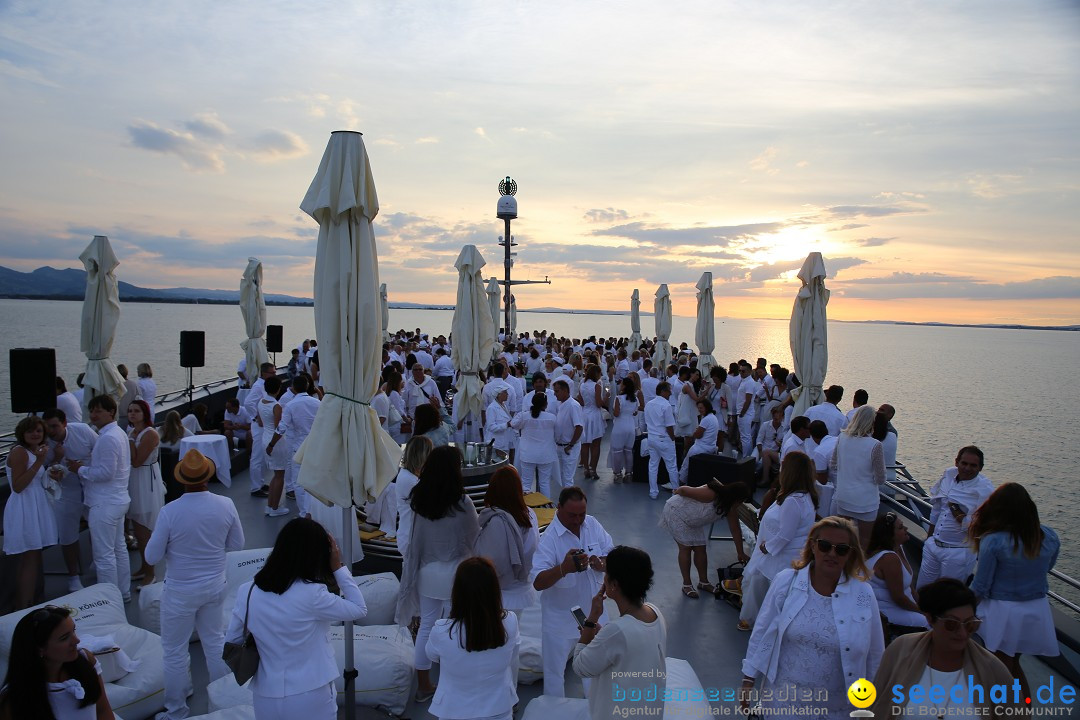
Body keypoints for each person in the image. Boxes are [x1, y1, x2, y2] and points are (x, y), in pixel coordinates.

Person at [741, 516, 884, 719]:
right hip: (785, 704)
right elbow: (762, 630)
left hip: (838, 708)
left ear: (850, 554)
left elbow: (875, 653)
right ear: (813, 546)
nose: (832, 554)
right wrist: (748, 679)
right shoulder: (786, 582)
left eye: (841, 549)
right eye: (825, 546)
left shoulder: (863, 594)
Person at [226, 518, 367, 720]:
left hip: (266, 694)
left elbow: (233, 639)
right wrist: (338, 567)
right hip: (311, 692)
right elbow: (359, 608)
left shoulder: (246, 591)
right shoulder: (313, 594)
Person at [144, 449, 244, 720]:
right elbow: (237, 544)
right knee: (215, 642)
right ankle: (225, 702)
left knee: (174, 652)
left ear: (182, 479)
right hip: (214, 586)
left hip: (180, 592)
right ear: (208, 475)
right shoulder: (226, 505)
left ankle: (177, 711)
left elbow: (151, 556)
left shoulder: (170, 511)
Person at [394, 446, 479, 702]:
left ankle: (424, 686)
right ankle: (455, 684)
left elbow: (416, 538)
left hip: (427, 572)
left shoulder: (420, 498)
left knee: (428, 625)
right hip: (456, 574)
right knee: (458, 626)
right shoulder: (462, 502)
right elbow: (472, 537)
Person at [871, 579, 1015, 717]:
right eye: (952, 624)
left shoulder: (992, 668)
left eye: (970, 624)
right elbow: (878, 704)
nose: (962, 633)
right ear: (930, 619)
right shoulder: (901, 649)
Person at [968, 483, 1060, 699]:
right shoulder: (1049, 535)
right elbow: (1047, 568)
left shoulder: (993, 540)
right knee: (1014, 664)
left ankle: (1001, 712)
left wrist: (962, 606)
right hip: (1035, 607)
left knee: (1000, 667)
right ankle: (1023, 711)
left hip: (1003, 610)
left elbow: (981, 585)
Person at [531, 486, 614, 697]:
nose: (578, 520)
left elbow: (612, 555)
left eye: (581, 514)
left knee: (595, 673)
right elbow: (538, 582)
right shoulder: (549, 539)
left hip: (595, 617)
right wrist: (564, 568)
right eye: (572, 515)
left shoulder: (592, 524)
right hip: (560, 621)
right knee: (554, 674)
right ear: (558, 508)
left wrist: (601, 563)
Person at [572, 546, 666, 720]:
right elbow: (633, 645)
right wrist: (601, 635)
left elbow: (580, 667)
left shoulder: (616, 631)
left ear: (614, 585)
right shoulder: (655, 613)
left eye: (606, 574)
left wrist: (591, 620)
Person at [425, 557, 520, 720]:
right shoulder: (510, 621)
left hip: (454, 712)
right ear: (494, 590)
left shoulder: (441, 630)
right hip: (499, 710)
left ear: (458, 591)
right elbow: (512, 654)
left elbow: (432, 656)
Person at [736, 452, 818, 630]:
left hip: (780, 557)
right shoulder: (797, 497)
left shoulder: (793, 501)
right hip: (777, 553)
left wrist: (767, 548)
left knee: (758, 584)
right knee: (757, 584)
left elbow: (786, 535)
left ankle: (755, 622)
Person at [67, 395, 131, 601]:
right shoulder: (118, 433)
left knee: (104, 556)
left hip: (105, 503)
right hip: (118, 499)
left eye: (98, 411)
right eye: (91, 411)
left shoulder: (107, 438)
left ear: (111, 412)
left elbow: (105, 473)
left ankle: (108, 600)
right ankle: (123, 592)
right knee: (119, 549)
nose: (93, 415)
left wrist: (80, 469)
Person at [0, 605, 114, 720]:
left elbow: (103, 711)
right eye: (64, 638)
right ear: (40, 648)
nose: (76, 640)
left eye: (73, 631)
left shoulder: (86, 660)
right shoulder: (13, 698)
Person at [918, 446, 994, 589]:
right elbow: (936, 510)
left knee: (948, 596)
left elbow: (981, 528)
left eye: (973, 465)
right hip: (934, 546)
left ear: (980, 468)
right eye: (964, 463)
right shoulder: (947, 477)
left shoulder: (985, 491)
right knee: (922, 590)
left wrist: (955, 508)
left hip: (958, 552)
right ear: (956, 462)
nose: (967, 468)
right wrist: (929, 540)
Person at [660, 480, 750, 599]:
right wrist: (677, 491)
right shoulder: (713, 493)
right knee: (685, 548)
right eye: (741, 500)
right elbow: (684, 490)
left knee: (701, 549)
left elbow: (735, 530)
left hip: (693, 520)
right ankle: (686, 584)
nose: (741, 503)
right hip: (677, 512)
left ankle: (704, 582)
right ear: (736, 497)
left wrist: (740, 552)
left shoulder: (730, 507)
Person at [3, 417, 59, 609]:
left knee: (34, 558)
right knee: (28, 559)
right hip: (24, 508)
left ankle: (30, 602)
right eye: (30, 431)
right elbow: (18, 486)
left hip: (35, 506)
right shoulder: (20, 453)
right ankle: (24, 605)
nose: (35, 434)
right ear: (22, 434)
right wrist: (40, 462)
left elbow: (35, 480)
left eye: (39, 431)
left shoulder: (33, 452)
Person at [42, 408, 97, 592]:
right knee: (67, 536)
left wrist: (83, 467)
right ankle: (73, 577)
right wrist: (56, 460)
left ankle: (98, 561)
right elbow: (44, 475)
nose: (51, 431)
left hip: (92, 487)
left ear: (65, 423)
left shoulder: (82, 430)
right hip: (66, 493)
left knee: (97, 526)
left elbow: (100, 453)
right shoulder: (44, 445)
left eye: (55, 426)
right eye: (47, 427)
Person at [476, 467, 540, 613]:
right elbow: (532, 549)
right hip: (524, 591)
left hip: (502, 595)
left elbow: (491, 560)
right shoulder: (530, 514)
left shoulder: (497, 522)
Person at [830, 405, 885, 550]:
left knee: (844, 537)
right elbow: (881, 479)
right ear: (872, 423)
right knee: (864, 539)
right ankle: (858, 568)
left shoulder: (842, 438)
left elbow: (833, 464)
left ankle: (844, 566)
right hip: (866, 502)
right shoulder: (875, 445)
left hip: (843, 497)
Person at [268, 375, 321, 517]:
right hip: (316, 447)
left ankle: (304, 512)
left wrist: (271, 444)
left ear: (293, 387)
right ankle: (314, 510)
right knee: (314, 480)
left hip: (298, 447)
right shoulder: (317, 403)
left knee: (299, 482)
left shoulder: (291, 405)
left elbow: (281, 428)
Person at [125, 399, 164, 588]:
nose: (132, 414)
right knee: (137, 528)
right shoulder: (131, 432)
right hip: (134, 481)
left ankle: (151, 572)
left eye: (136, 411)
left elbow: (137, 461)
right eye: (130, 411)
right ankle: (143, 567)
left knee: (144, 530)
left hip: (145, 482)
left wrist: (130, 441)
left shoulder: (149, 434)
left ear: (145, 413)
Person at [866, 512, 928, 630]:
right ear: (890, 536)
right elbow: (898, 597)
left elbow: (911, 589)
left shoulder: (899, 549)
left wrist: (924, 608)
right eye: (900, 527)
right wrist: (923, 613)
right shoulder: (889, 558)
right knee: (928, 623)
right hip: (885, 611)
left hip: (900, 607)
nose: (906, 528)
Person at [389, 436, 434, 557]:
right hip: (412, 538)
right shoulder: (409, 480)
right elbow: (430, 506)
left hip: (413, 535)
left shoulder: (411, 475)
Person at [511, 393, 559, 499]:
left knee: (526, 483)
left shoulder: (524, 416)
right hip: (546, 455)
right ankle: (546, 508)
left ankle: (526, 508)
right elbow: (557, 434)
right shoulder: (552, 418)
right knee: (544, 483)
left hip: (527, 454)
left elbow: (513, 424)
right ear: (546, 404)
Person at [673, 397, 719, 489]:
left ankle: (678, 484)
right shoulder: (713, 417)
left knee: (685, 465)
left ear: (707, 407)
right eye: (698, 408)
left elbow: (697, 435)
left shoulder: (706, 420)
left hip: (700, 448)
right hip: (711, 448)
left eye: (701, 408)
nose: (699, 410)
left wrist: (695, 432)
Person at [643, 382, 676, 500]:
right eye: (668, 391)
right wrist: (673, 439)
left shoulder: (649, 404)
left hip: (651, 438)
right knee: (671, 466)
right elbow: (669, 426)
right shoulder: (666, 405)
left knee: (653, 465)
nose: (670, 393)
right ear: (662, 391)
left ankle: (653, 492)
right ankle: (676, 493)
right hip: (664, 439)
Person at [552, 379, 584, 489]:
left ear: (565, 390)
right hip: (560, 446)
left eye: (557, 391)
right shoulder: (560, 404)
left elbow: (579, 427)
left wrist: (570, 445)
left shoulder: (573, 405)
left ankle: (568, 503)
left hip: (569, 447)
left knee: (567, 478)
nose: (555, 394)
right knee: (561, 477)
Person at [607, 376, 640, 483]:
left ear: (624, 386)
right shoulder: (635, 399)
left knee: (617, 451)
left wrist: (613, 409)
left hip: (620, 426)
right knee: (628, 450)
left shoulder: (619, 398)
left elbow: (616, 413)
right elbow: (635, 412)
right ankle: (629, 473)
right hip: (630, 426)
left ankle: (617, 474)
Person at [578, 364, 606, 479]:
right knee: (596, 444)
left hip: (584, 414)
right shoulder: (597, 386)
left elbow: (581, 401)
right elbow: (599, 403)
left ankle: (585, 468)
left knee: (585, 444)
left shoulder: (582, 385)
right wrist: (607, 397)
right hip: (594, 415)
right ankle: (593, 469)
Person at [484, 387, 514, 459]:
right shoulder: (492, 408)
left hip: (503, 442)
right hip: (496, 444)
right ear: (499, 395)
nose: (507, 394)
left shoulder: (503, 405)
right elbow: (491, 427)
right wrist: (506, 425)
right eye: (505, 392)